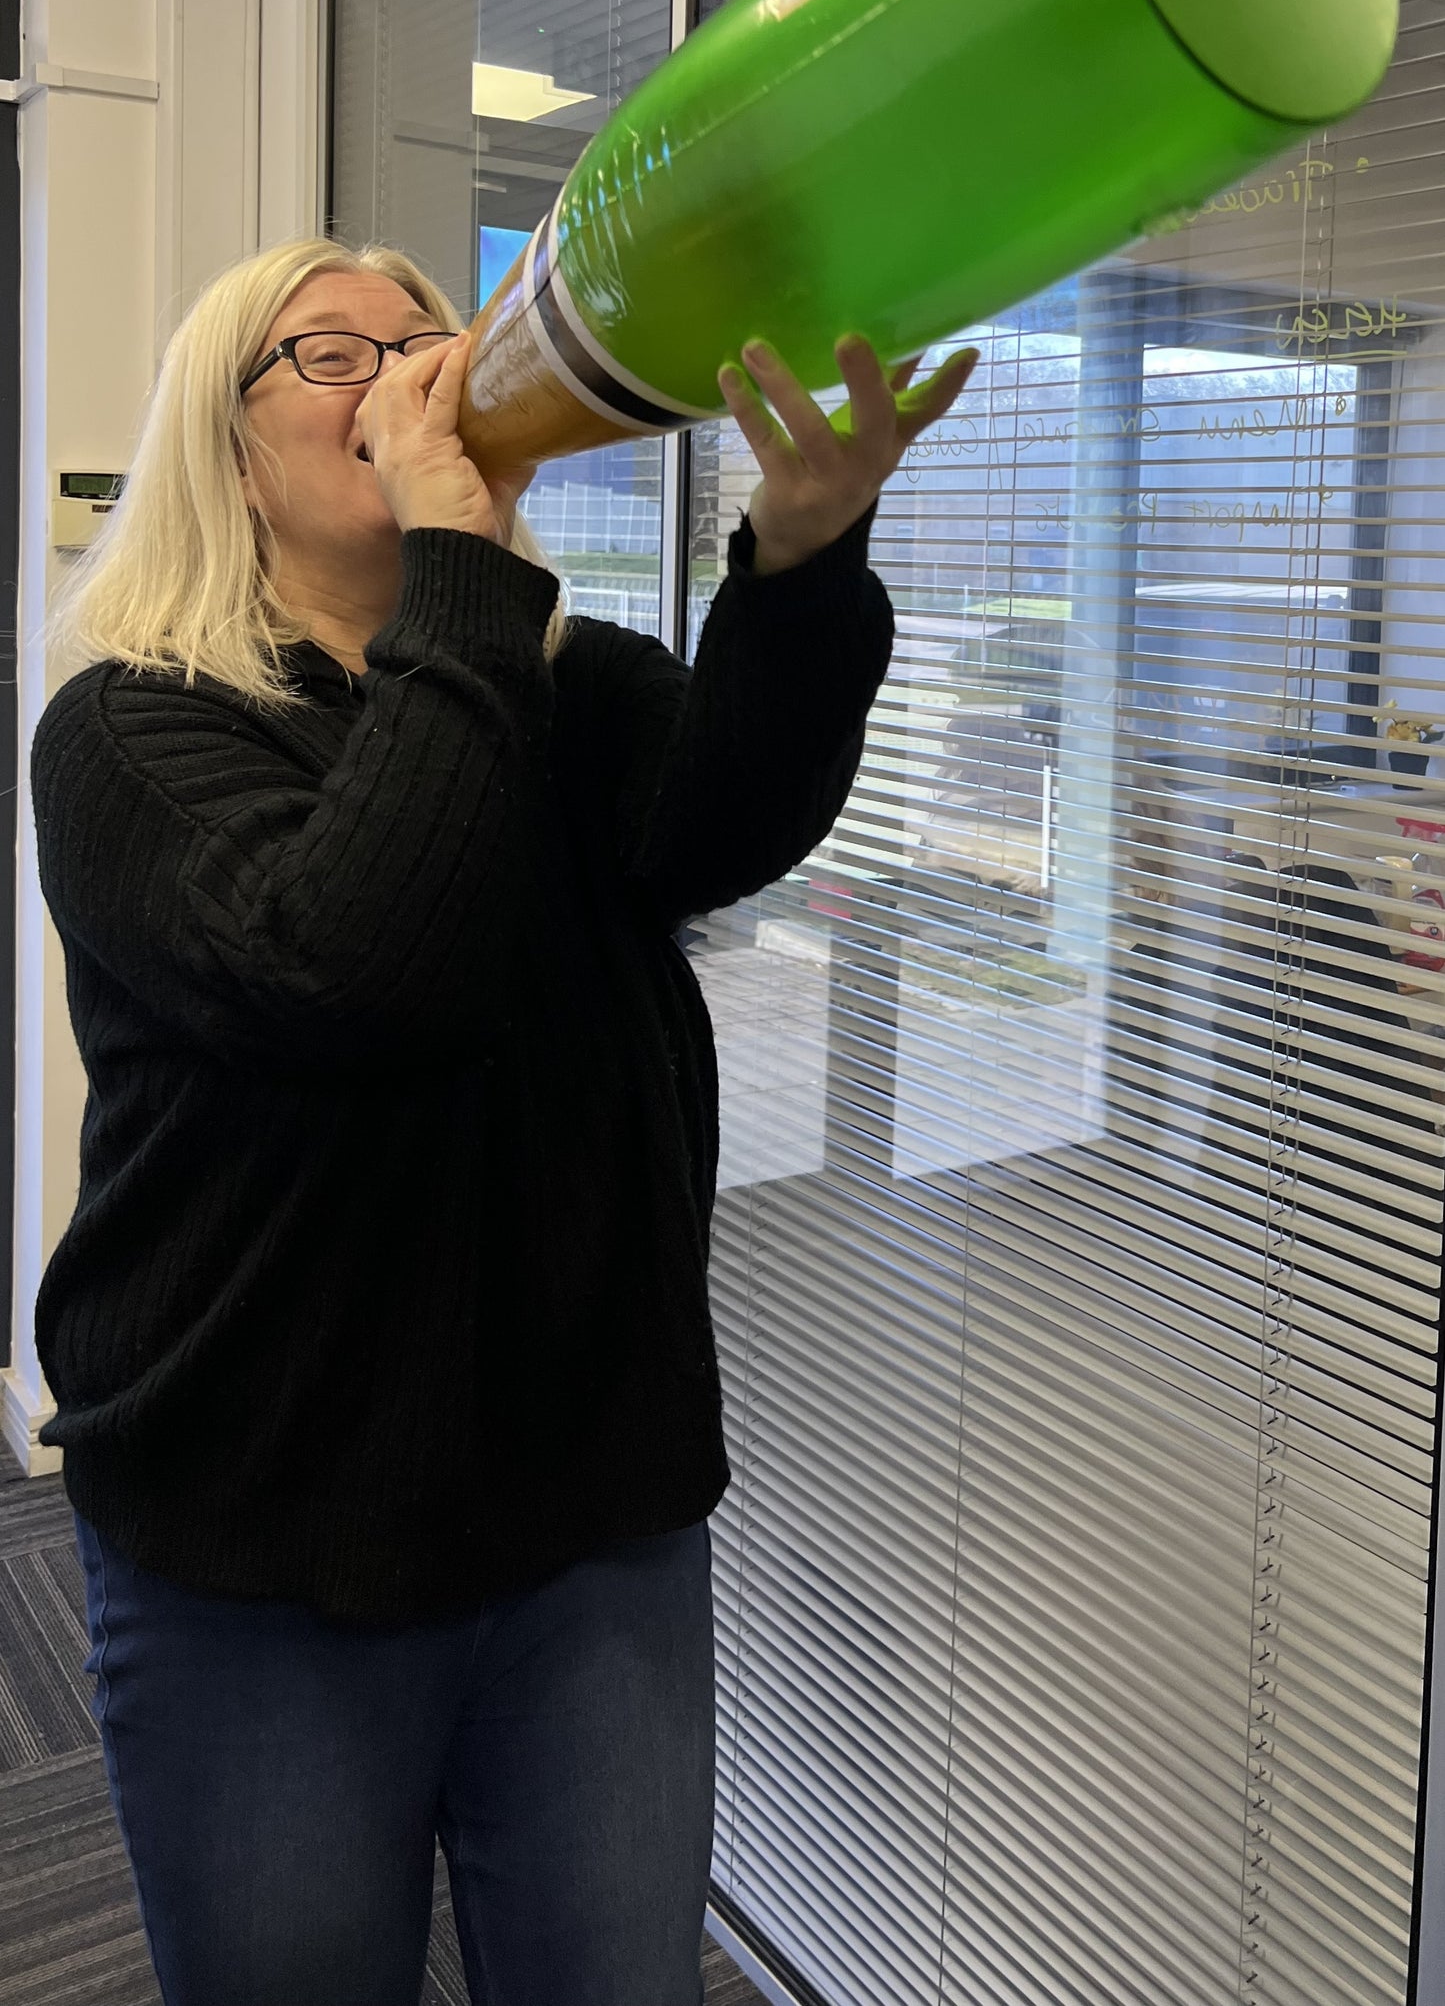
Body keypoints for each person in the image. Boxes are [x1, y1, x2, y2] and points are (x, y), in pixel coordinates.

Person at [28, 236, 975, 2006]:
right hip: (267, 1525)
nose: (409, 372)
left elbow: (730, 819)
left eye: (429, 339)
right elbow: (356, 964)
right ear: (226, 444)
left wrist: (801, 551)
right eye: (331, 353)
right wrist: (460, 573)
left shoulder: (560, 679)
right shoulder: (129, 730)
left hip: (587, 1500)